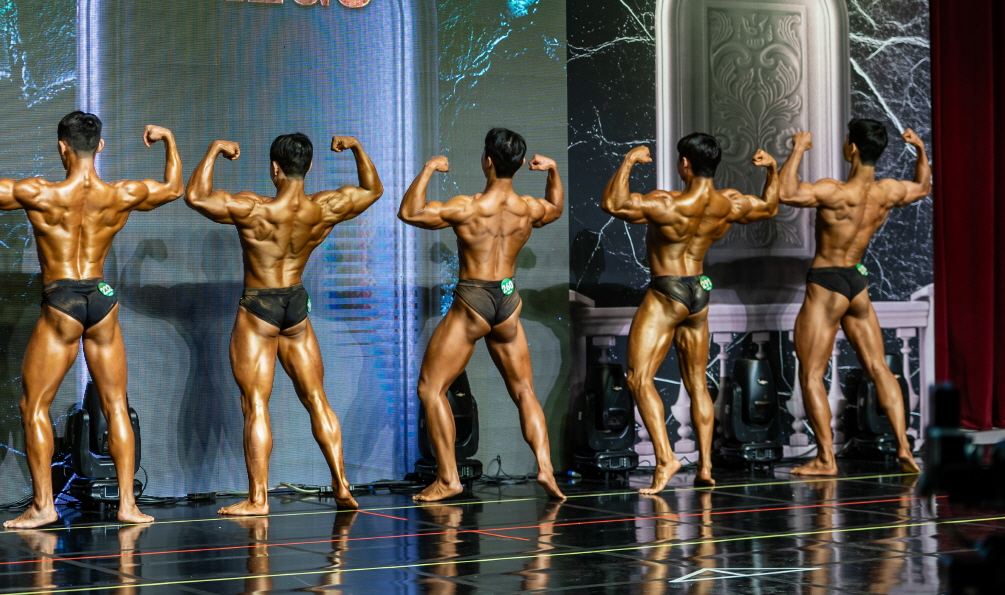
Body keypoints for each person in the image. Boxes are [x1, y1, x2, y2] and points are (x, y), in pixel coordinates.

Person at [0, 112, 181, 528]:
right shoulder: (120, 194)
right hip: (101, 298)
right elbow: (173, 188)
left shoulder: (41, 193)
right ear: (100, 147)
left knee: (33, 407)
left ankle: (44, 506)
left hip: (61, 299)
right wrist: (168, 138)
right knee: (116, 406)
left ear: (61, 148)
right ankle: (128, 505)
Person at [185, 133, 382, 516]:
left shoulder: (254, 209)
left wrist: (214, 150)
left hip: (260, 306)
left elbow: (196, 196)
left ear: (275, 169)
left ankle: (258, 499)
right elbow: (372, 189)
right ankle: (341, 483)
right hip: (295, 304)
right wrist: (358, 148)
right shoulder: (323, 208)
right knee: (317, 398)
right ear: (308, 167)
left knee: (255, 404)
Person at [601, 134, 778, 494]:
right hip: (699, 291)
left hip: (667, 292)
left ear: (685, 164)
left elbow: (613, 203)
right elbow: (770, 207)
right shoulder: (729, 203)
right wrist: (773, 169)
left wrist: (630, 160)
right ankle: (706, 466)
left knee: (638, 378)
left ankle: (666, 458)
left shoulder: (668, 204)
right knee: (697, 382)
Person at [398, 128, 565, 503]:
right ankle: (545, 467)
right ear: (520, 165)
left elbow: (410, 212)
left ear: (487, 161)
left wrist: (429, 168)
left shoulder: (468, 207)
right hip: (507, 300)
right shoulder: (527, 208)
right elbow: (554, 208)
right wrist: (553, 170)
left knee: (431, 388)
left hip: (473, 301)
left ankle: (448, 479)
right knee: (524, 391)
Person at [780, 121, 930, 476]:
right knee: (879, 368)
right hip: (856, 283)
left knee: (812, 375)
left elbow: (786, 193)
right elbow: (924, 187)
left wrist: (798, 148)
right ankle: (904, 447)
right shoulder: (887, 192)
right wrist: (921, 149)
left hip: (827, 283)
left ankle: (825, 459)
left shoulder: (835, 192)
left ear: (852, 149)